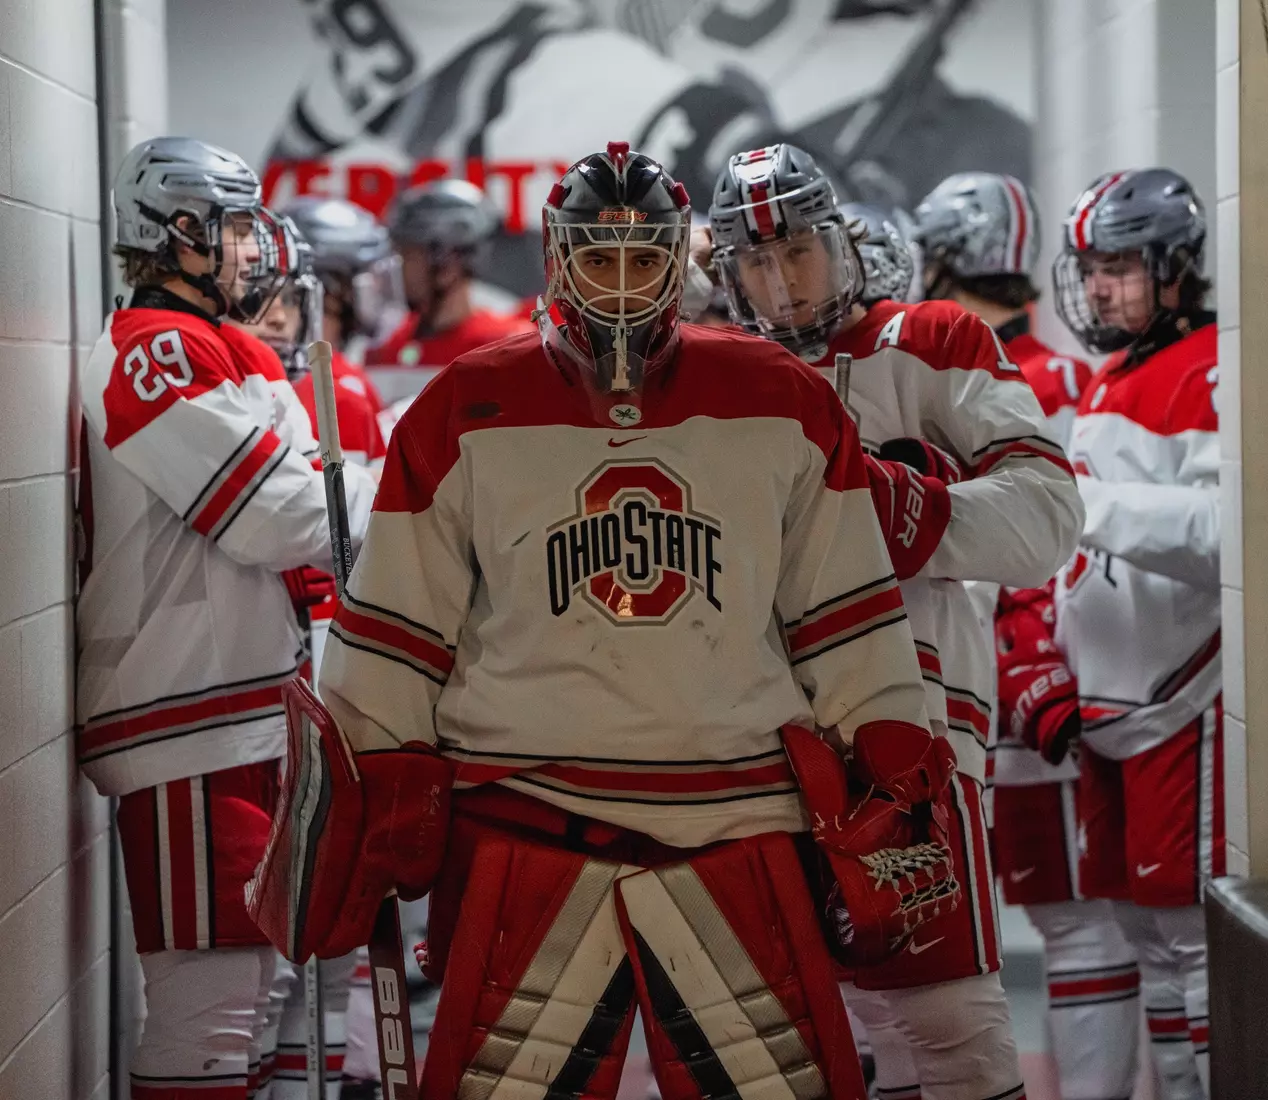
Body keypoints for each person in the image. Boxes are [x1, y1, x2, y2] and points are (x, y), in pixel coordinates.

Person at [248, 142, 967, 1100]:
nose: (621, 286)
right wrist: (359, 800)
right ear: (557, 257)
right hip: (527, 823)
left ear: (679, 261)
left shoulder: (783, 402)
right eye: (598, 258)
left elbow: (847, 621)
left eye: (643, 259)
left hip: (737, 821)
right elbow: (395, 638)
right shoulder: (460, 409)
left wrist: (893, 766)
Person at [706, 142, 1085, 1100]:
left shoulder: (931, 337)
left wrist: (907, 508)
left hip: (914, 717)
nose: (779, 280)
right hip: (763, 727)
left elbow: (1048, 516)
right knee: (828, 1020)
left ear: (839, 242)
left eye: (795, 250)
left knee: (947, 1007)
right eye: (754, 261)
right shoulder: (718, 376)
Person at [76, 138, 378, 1100]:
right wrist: (421, 491)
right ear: (178, 233)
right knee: (208, 1014)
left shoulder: (219, 345)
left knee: (258, 992)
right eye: (237, 229)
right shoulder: (156, 349)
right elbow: (284, 516)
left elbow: (309, 504)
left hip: (240, 709)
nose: (256, 251)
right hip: (187, 723)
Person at [915, 169, 1142, 1100]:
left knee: (1072, 917)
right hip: (1040, 674)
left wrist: (1031, 666)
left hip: (1018, 682)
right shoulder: (1059, 369)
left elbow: (1041, 545)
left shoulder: (999, 374)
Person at [1051, 167, 1221, 1100]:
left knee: (1191, 942)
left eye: (1119, 264)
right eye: (1091, 265)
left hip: (1183, 696)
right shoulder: (1117, 371)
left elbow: (1228, 533)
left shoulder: (1214, 366)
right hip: (1110, 705)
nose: (1100, 286)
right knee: (1144, 939)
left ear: (1173, 265)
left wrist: (1089, 505)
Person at [364, 178, 533, 413]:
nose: (398, 267)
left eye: (410, 255)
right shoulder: (385, 346)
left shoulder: (509, 345)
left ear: (448, 262)